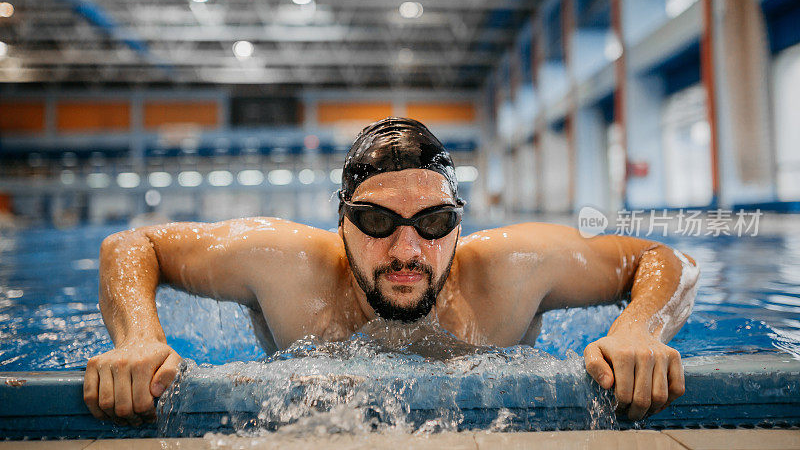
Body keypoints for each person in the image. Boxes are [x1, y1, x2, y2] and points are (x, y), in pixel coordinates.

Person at [83, 117, 699, 427]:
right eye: (378, 222)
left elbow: (663, 260)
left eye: (432, 222)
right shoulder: (284, 262)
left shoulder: (512, 268)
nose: (407, 249)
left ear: (459, 223)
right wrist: (139, 337)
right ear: (342, 223)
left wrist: (640, 328)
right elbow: (134, 244)